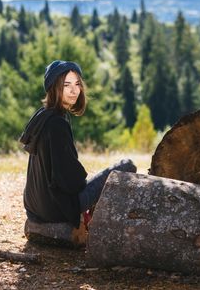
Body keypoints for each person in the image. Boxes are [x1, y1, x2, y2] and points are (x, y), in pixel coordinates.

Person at [20, 60, 136, 229]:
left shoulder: (43, 116)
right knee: (126, 166)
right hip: (55, 210)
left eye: (77, 84)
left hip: (35, 207)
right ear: (53, 87)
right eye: (66, 85)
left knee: (98, 180)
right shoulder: (57, 123)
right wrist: (89, 190)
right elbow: (69, 179)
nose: (74, 91)